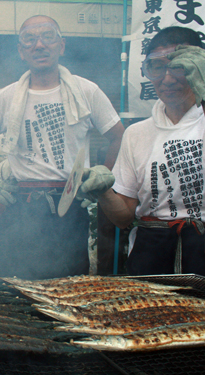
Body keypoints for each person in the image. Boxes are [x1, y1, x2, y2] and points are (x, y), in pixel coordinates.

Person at [0, 15, 125, 280]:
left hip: (70, 201)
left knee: (71, 284)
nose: (39, 45)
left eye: (47, 36)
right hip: (21, 204)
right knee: (17, 285)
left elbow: (119, 136)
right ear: (21, 51)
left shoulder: (87, 91)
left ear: (61, 45)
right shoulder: (6, 96)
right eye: (29, 39)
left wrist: (101, 176)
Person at [82, 26, 205, 276]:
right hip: (151, 253)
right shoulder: (137, 133)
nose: (167, 79)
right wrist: (103, 191)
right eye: (157, 67)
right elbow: (123, 217)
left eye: (178, 67)